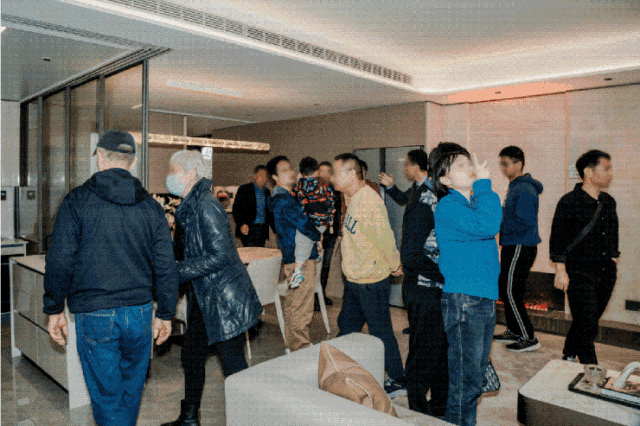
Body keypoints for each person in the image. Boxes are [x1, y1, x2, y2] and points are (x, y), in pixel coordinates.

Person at [43, 130, 179, 426]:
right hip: (140, 312)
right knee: (131, 389)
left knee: (107, 396)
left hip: (95, 312)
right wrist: (166, 313)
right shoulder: (151, 207)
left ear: (100, 158)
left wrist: (54, 308)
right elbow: (166, 265)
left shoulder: (77, 201)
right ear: (133, 162)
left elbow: (59, 259)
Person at [162, 150, 263, 426]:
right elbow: (185, 250)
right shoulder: (189, 205)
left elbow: (221, 256)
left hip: (222, 299)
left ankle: (249, 419)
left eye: (173, 171)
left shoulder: (207, 205)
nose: (169, 177)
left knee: (233, 365)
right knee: (192, 356)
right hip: (203, 296)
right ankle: (189, 417)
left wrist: (178, 271)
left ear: (191, 174)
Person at [430, 142, 502, 426]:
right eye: (460, 165)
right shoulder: (448, 206)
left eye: (468, 162)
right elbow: (489, 225)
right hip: (465, 300)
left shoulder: (470, 204)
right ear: (445, 179)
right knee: (466, 382)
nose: (470, 167)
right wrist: (484, 185)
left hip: (482, 296)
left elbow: (489, 223)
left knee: (474, 377)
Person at [379, 149, 448, 417]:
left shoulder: (436, 195)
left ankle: (439, 407)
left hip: (435, 287)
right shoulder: (424, 197)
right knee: (423, 351)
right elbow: (411, 255)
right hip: (423, 287)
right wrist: (446, 276)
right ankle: (418, 408)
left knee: (439, 350)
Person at [331, 153, 406, 398]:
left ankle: (398, 379)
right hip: (355, 279)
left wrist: (394, 264)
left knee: (381, 331)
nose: (332, 177)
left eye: (336, 172)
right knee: (347, 327)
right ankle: (337, 371)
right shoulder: (353, 198)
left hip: (371, 281)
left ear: (352, 174)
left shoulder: (369, 202)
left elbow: (384, 237)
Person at [550, 149, 618, 365]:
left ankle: (569, 352)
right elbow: (557, 239)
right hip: (579, 272)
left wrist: (614, 259)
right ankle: (592, 371)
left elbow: (613, 234)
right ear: (588, 172)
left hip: (606, 273)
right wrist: (561, 271)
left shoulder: (608, 201)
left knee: (586, 321)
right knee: (588, 323)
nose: (610, 173)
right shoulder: (569, 202)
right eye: (606, 169)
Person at [266, 155, 321, 351]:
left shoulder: (284, 197)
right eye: (284, 170)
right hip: (300, 259)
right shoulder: (283, 200)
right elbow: (304, 223)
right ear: (275, 177)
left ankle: (293, 346)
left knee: (294, 304)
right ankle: (300, 349)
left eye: (291, 168)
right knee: (301, 307)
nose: (291, 172)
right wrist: (317, 236)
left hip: (294, 257)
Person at [493, 146, 543, 352]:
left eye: (506, 164)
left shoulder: (524, 189)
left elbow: (524, 222)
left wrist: (499, 224)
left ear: (519, 164)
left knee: (511, 291)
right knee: (507, 289)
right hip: (513, 244)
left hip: (520, 246)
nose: (503, 168)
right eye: (501, 164)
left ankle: (528, 337)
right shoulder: (516, 186)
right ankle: (514, 331)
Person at [289, 157, 336, 289]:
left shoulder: (300, 186)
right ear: (317, 171)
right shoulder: (324, 185)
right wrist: (329, 217)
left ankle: (298, 270)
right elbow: (331, 201)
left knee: (301, 240)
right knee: (312, 238)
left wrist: (299, 180)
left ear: (301, 172)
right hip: (323, 223)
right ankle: (317, 248)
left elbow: (294, 201)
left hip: (310, 221)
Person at [316, 161, 341, 309]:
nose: (324, 174)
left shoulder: (335, 190)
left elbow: (339, 211)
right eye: (322, 171)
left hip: (331, 234)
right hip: (317, 235)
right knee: (316, 265)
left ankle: (321, 294)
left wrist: (339, 231)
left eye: (327, 171)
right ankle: (313, 297)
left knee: (326, 266)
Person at [232, 165, 275, 247]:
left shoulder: (267, 192)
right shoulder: (244, 189)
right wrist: (242, 223)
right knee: (249, 252)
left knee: (260, 252)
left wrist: (276, 231)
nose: (264, 179)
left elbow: (270, 213)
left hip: (262, 229)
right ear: (255, 176)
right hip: (248, 227)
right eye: (261, 176)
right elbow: (237, 209)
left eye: (266, 176)